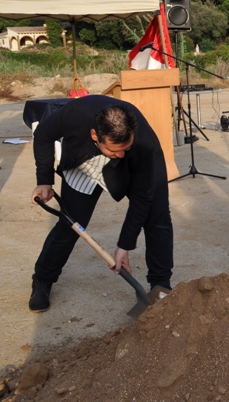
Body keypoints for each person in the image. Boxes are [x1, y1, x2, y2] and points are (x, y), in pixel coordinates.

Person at [29, 96, 173, 312]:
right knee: (69, 226)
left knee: (157, 219)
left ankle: (161, 287)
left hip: (130, 170)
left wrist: (124, 245)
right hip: (84, 163)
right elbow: (42, 135)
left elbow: (142, 199)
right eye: (115, 150)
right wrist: (44, 180)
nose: (120, 154)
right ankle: (42, 281)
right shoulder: (74, 113)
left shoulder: (143, 145)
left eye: (126, 147)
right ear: (95, 135)